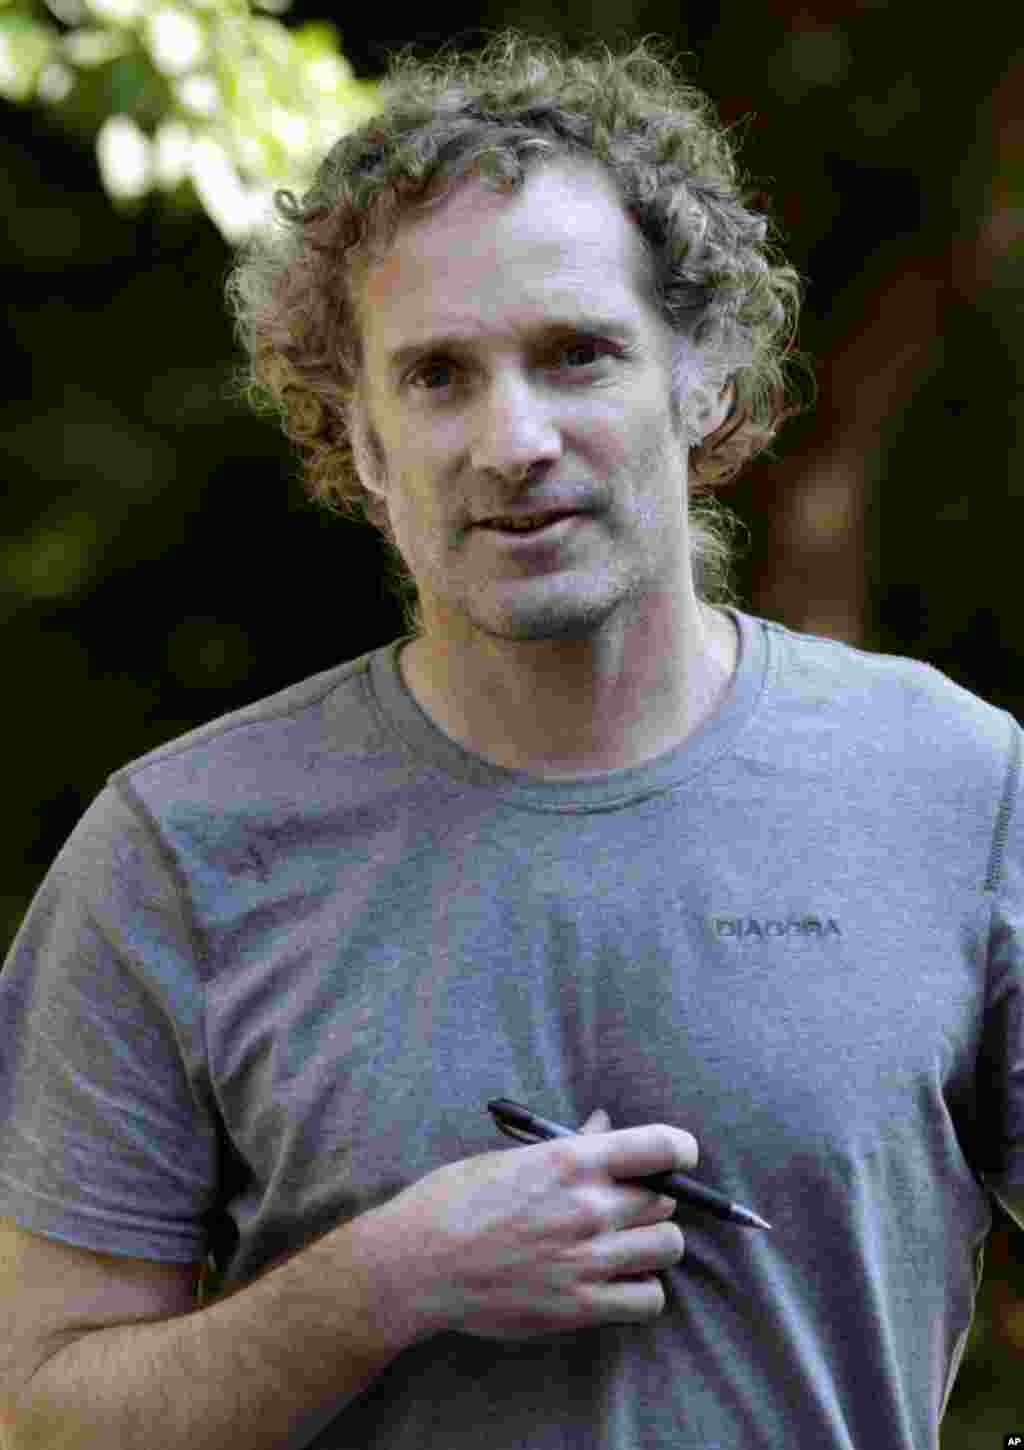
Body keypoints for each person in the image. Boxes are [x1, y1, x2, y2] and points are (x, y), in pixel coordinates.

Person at [1, 27, 1021, 1450]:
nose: (516, 439)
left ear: (703, 382)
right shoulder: (176, 855)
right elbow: (38, 1418)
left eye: (578, 354)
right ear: (358, 441)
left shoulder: (958, 789)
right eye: (439, 379)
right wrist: (383, 1278)